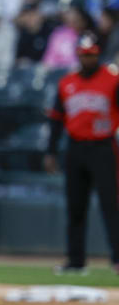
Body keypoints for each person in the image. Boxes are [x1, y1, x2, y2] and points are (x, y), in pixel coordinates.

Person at [44, 32, 119, 276]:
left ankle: (117, 259)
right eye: (84, 55)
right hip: (75, 148)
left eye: (92, 55)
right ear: (78, 55)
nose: (87, 59)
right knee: (75, 207)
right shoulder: (66, 83)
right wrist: (51, 151)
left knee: (112, 205)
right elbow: (56, 120)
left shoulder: (112, 80)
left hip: (103, 148)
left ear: (98, 54)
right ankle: (76, 261)